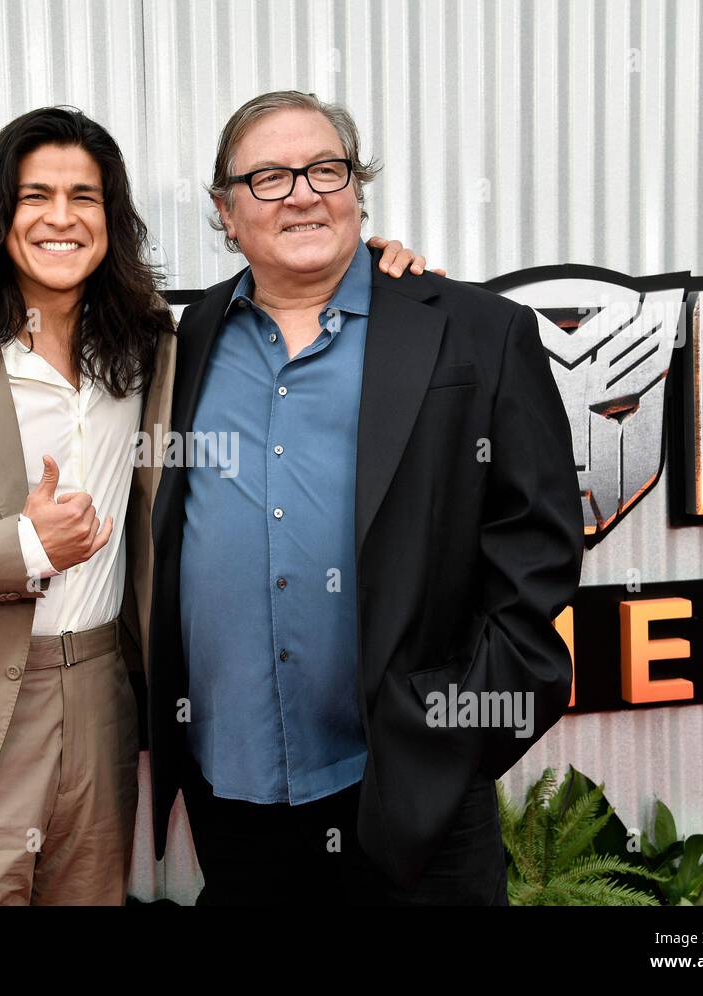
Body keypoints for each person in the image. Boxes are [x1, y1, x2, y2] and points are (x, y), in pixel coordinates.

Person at [0, 104, 433, 904]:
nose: (61, 218)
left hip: (103, 701)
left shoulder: (150, 343)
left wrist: (380, 267)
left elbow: (306, 290)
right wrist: (22, 547)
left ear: (111, 220)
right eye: (34, 195)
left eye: (84, 197)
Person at [143, 90, 584, 905]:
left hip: (410, 797)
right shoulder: (188, 337)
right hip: (233, 795)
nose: (304, 192)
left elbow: (539, 554)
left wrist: (451, 739)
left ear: (357, 188)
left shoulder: (474, 330)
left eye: (324, 169)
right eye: (269, 177)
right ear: (225, 211)